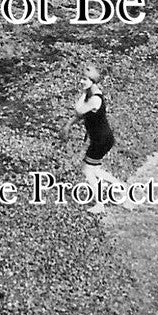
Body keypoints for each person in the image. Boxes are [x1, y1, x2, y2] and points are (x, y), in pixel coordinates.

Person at [60, 66, 126, 214]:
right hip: (101, 138)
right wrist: (68, 125)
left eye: (85, 79)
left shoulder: (95, 98)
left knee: (88, 170)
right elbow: (81, 116)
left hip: (101, 140)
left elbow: (78, 110)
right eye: (82, 78)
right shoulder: (92, 94)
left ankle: (99, 204)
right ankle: (120, 187)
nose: (81, 81)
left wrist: (83, 92)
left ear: (93, 81)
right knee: (94, 169)